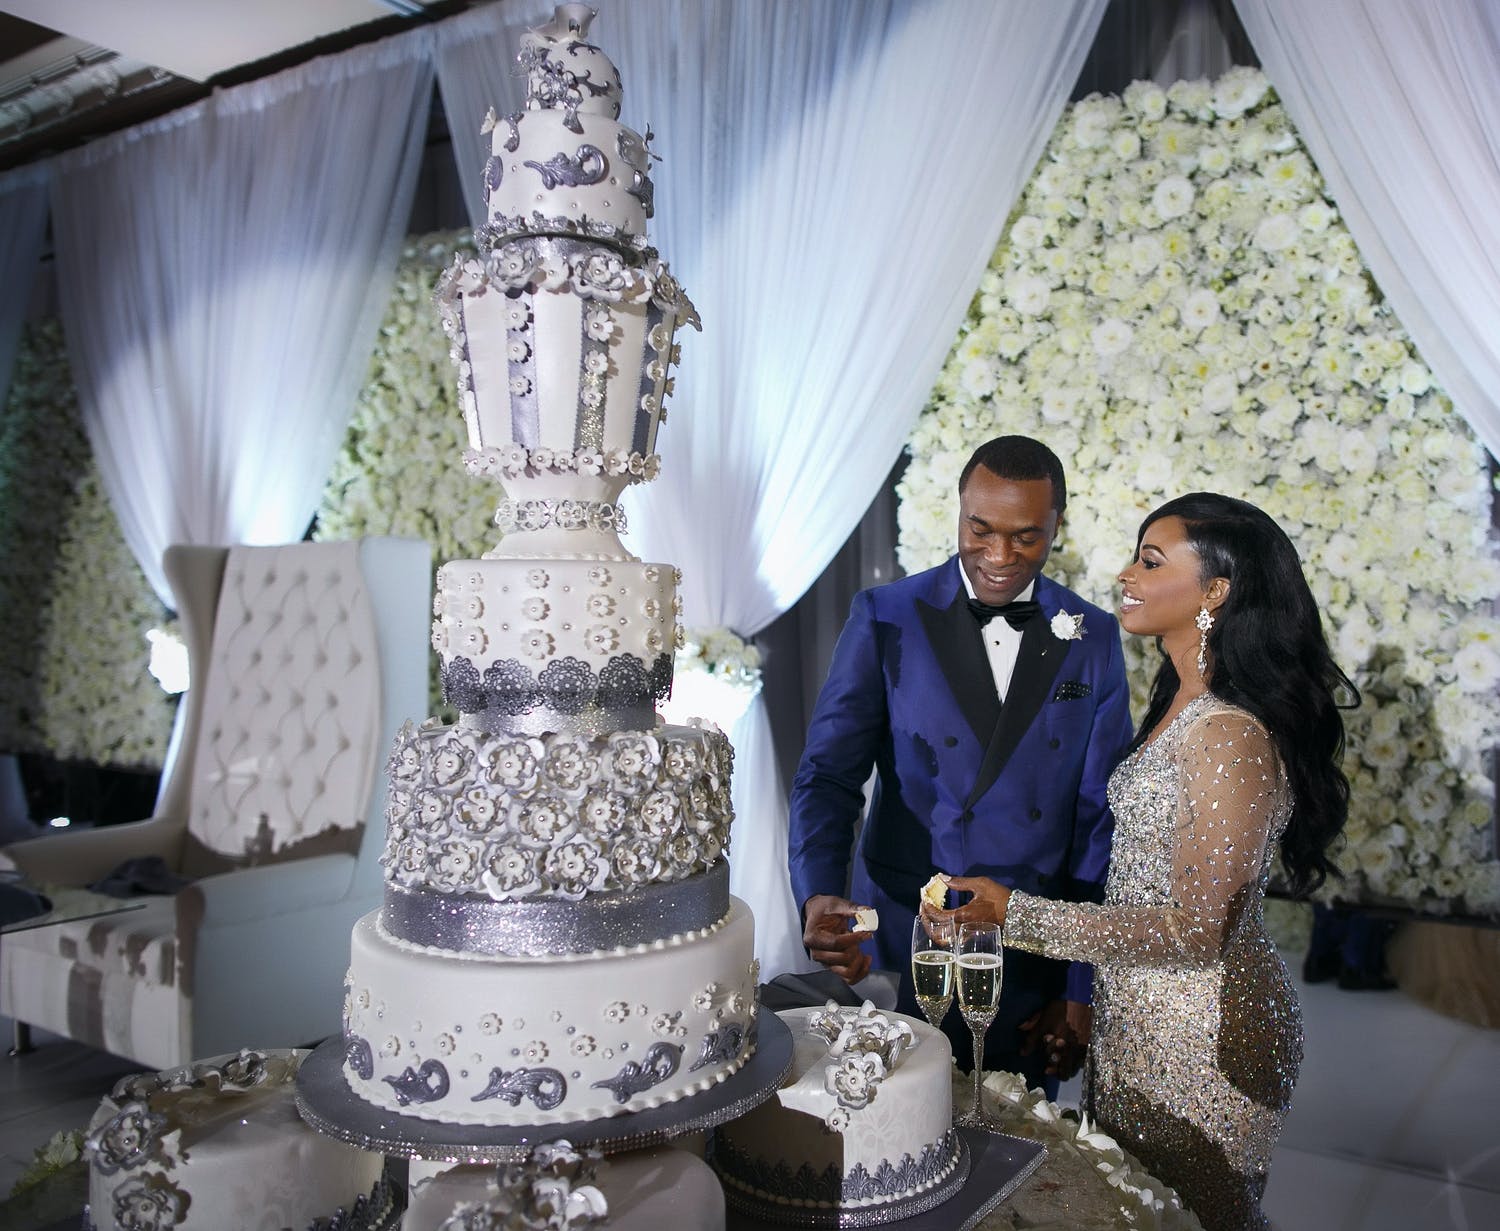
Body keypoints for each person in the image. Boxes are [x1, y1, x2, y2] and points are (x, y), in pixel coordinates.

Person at [926, 493, 1356, 1231]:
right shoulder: (1182, 696)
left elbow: (1196, 932)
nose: (1124, 573)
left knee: (1193, 1215)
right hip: (1142, 1017)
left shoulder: (1228, 733)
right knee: (1138, 1211)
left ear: (1216, 590)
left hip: (1204, 1036)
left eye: (1150, 561)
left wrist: (1015, 913)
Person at [788, 435, 1133, 1088]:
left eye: (1027, 536)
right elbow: (829, 777)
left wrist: (1082, 987)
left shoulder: (1092, 636)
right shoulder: (885, 616)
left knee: (1016, 1148)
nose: (1000, 556)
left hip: (1030, 951)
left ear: (1057, 525)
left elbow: (1101, 825)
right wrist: (816, 890)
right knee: (896, 1134)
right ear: (959, 511)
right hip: (899, 929)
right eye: (981, 529)